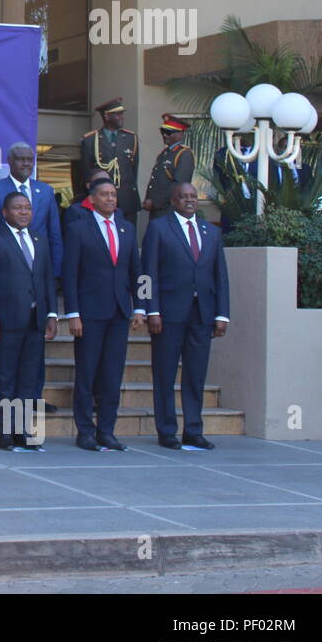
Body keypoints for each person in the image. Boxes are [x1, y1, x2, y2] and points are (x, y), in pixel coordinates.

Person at [141, 183, 229, 450]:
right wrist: (151, 309)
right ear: (173, 200)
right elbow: (147, 273)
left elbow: (220, 276)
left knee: (196, 375)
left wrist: (222, 314)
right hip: (167, 314)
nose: (189, 200)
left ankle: (193, 431)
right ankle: (167, 430)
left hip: (202, 314)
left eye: (193, 196)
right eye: (184, 196)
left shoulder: (211, 232)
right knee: (165, 374)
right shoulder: (158, 228)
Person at [62, 178, 144, 451]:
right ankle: (85, 431)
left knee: (112, 375)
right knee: (86, 373)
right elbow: (70, 274)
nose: (111, 199)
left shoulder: (127, 229)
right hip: (89, 313)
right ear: (92, 200)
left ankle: (107, 431)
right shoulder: (77, 229)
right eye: (105, 195)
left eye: (113, 195)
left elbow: (138, 273)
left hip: (120, 311)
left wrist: (141, 306)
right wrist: (72, 312)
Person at [0, 191, 59, 451]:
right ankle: (5, 433)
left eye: (27, 208)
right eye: (18, 208)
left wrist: (52, 314)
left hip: (35, 320)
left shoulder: (39, 240)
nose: (24, 213)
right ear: (5, 212)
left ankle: (22, 432)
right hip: (4, 321)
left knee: (28, 379)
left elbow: (46, 279)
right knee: (6, 378)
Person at [0, 142, 63, 278]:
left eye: (30, 160)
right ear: (10, 161)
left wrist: (56, 272)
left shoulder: (46, 191)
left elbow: (54, 234)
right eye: (21, 159)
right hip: (6, 266)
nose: (26, 163)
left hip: (40, 266)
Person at [78, 97, 140, 222]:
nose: (122, 117)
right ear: (106, 116)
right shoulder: (90, 140)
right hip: (101, 203)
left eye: (122, 114)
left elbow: (133, 170)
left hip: (126, 201)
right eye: (118, 114)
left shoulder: (131, 138)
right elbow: (86, 172)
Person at [143, 115, 194, 220]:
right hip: (157, 210)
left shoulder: (184, 154)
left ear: (180, 134)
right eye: (163, 131)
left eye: (169, 132)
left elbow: (178, 185)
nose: (165, 135)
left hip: (169, 209)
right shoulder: (164, 153)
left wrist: (155, 202)